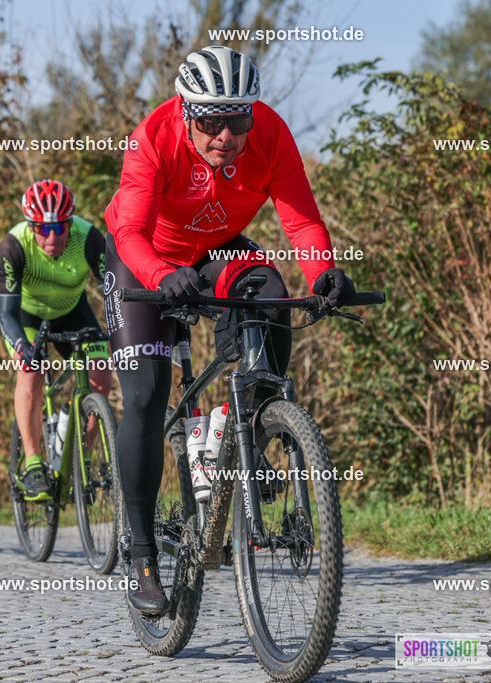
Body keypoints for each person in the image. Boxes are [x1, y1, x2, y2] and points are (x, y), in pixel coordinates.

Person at [102, 46, 356, 615]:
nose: (225, 135)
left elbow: (301, 219)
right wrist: (164, 275)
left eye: (237, 120)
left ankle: (248, 426)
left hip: (215, 251)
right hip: (143, 258)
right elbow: (133, 233)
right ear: (187, 113)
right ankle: (140, 551)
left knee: (270, 292)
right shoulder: (153, 138)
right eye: (211, 122)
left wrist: (324, 275)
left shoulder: (270, 134)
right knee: (144, 393)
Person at [0, 179, 111, 501]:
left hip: (72, 310)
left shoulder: (87, 237)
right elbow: (5, 313)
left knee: (101, 374)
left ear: (69, 223)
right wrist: (22, 347)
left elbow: (113, 290)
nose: (52, 237)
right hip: (28, 318)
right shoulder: (14, 245)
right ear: (31, 226)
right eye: (42, 229)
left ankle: (78, 461)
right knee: (31, 371)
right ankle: (33, 464)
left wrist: (122, 328)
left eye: (60, 227)